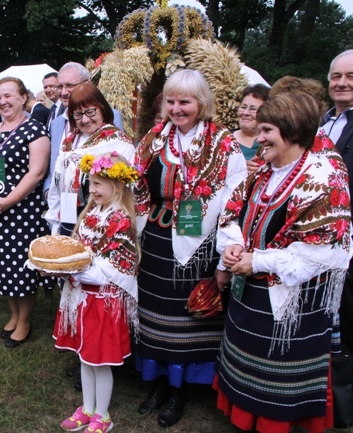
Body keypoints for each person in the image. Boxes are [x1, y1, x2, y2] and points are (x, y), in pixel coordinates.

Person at [215, 92, 351, 433]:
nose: (259, 138)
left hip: (293, 300)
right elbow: (234, 211)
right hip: (251, 288)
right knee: (247, 361)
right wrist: (232, 246)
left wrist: (257, 260)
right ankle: (246, 419)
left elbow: (321, 253)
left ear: (291, 131)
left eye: (267, 130)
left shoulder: (323, 177)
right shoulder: (265, 166)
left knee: (277, 376)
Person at [132, 69, 247, 428]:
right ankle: (158, 382)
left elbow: (234, 200)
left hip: (199, 244)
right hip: (155, 237)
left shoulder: (223, 144)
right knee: (154, 311)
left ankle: (180, 389)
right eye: (171, 101)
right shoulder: (154, 138)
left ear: (202, 103)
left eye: (185, 101)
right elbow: (137, 184)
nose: (177, 108)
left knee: (187, 316)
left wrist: (227, 253)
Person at [54, 152, 139, 433]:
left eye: (99, 184)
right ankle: (87, 408)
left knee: (99, 361)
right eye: (91, 183)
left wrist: (74, 271)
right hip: (81, 297)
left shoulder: (121, 220)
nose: (92, 190)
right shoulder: (92, 213)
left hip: (103, 301)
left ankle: (102, 414)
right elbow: (79, 250)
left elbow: (116, 268)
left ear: (118, 186)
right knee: (83, 355)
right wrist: (62, 265)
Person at [0, 77, 51, 347]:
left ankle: (25, 320)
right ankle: (14, 314)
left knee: (21, 269)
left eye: (8, 96)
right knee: (3, 266)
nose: (3, 102)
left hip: (23, 213)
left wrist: (7, 201)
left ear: (22, 98)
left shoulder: (35, 130)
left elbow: (36, 173)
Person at [46, 82, 135, 237]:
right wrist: (55, 223)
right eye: (78, 114)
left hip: (101, 227)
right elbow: (56, 185)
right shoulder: (70, 142)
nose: (85, 120)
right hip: (67, 222)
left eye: (90, 112)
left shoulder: (119, 143)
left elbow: (129, 190)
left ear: (102, 109)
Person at [44, 62, 124, 194]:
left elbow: (118, 160)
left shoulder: (111, 116)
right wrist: (48, 192)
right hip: (61, 206)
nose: (63, 92)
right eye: (59, 87)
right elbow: (53, 166)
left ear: (88, 84)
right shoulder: (57, 123)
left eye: (70, 86)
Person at [324, 50, 353, 357]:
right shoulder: (322, 121)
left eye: (350, 77)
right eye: (336, 76)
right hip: (320, 237)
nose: (342, 83)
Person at [232, 84, 269, 173]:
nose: (245, 113)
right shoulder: (224, 139)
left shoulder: (270, 142)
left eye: (253, 109)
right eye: (243, 107)